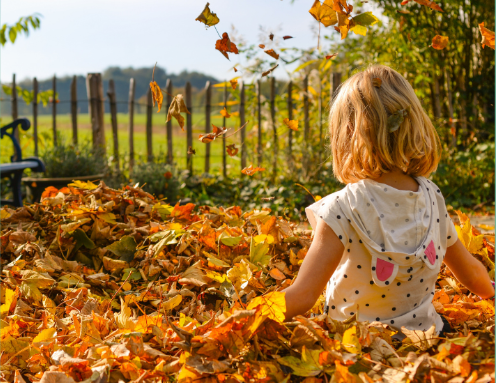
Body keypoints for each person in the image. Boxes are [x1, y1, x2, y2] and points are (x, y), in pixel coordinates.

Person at [283, 65, 494, 335]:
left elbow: (303, 296)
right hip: (426, 337)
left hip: (358, 345)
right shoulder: (432, 196)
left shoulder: (341, 208)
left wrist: (242, 317)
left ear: (348, 134)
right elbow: (473, 276)